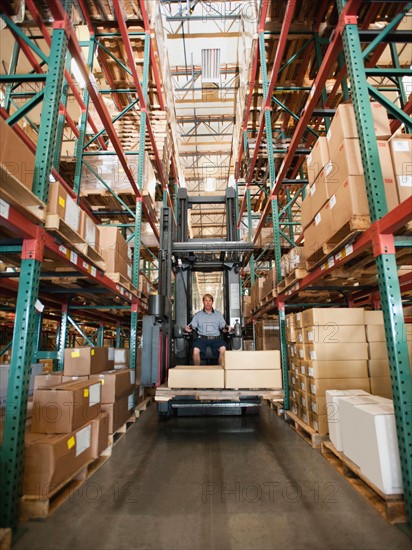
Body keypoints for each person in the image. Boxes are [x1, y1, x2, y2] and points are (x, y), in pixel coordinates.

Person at [185, 293, 231, 366]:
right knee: (195, 351)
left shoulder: (218, 314)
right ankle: (197, 371)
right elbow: (192, 326)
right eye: (206, 301)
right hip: (202, 339)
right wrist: (188, 328)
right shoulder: (198, 315)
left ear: (212, 302)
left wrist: (227, 328)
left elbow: (223, 327)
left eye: (210, 301)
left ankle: (220, 371)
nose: (208, 303)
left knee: (223, 349)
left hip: (216, 338)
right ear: (203, 302)